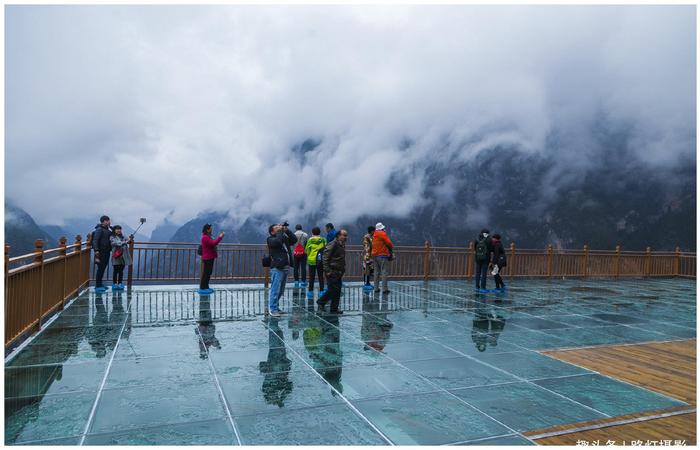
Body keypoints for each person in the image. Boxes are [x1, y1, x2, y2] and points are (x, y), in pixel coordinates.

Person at [267, 223, 297, 317]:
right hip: (277, 267)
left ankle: (276, 307)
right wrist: (280, 232)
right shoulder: (270, 239)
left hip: (285, 266)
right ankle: (272, 309)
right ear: (272, 231)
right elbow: (277, 242)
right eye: (276, 227)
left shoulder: (282, 237)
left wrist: (287, 230)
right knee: (275, 289)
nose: (279, 228)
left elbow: (294, 240)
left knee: (281, 290)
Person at [317, 229, 348, 314]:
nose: (345, 237)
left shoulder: (341, 244)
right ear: (338, 236)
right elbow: (325, 257)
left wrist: (343, 270)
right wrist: (328, 271)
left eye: (346, 235)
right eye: (344, 235)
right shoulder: (333, 244)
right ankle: (321, 302)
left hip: (339, 271)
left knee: (337, 290)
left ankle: (334, 308)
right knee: (332, 289)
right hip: (332, 270)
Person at [200, 224, 224, 294]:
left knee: (209, 272)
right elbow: (214, 243)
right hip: (207, 257)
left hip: (210, 257)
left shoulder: (207, 236)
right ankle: (202, 287)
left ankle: (206, 287)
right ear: (207, 230)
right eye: (210, 228)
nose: (211, 229)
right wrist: (220, 237)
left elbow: (212, 244)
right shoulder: (205, 237)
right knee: (206, 273)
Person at [305, 227, 327, 300]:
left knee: (312, 277)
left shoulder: (310, 240)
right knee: (321, 276)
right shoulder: (323, 240)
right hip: (320, 260)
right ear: (319, 232)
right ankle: (321, 291)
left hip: (311, 260)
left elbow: (307, 250)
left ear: (312, 232)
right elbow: (326, 249)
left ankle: (310, 292)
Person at [371, 222, 393, 294]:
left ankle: (376, 288)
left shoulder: (374, 234)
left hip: (374, 255)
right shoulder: (382, 233)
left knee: (376, 272)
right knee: (384, 272)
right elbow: (389, 243)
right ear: (382, 228)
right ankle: (384, 289)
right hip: (382, 255)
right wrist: (390, 249)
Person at [92, 215, 112, 292]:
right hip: (100, 252)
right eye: (108, 221)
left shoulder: (108, 230)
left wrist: (112, 228)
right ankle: (97, 285)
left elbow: (114, 234)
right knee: (100, 268)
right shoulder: (99, 230)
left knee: (103, 268)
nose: (109, 222)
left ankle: (100, 283)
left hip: (107, 251)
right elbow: (95, 240)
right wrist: (96, 250)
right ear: (104, 221)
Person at [109, 225, 133, 290]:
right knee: (115, 270)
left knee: (121, 270)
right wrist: (125, 242)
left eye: (120, 229)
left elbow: (128, 240)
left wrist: (130, 240)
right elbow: (117, 243)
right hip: (116, 255)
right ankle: (114, 284)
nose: (119, 230)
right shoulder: (112, 237)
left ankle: (120, 283)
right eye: (117, 229)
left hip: (123, 255)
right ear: (114, 230)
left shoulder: (123, 236)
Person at [362, 226, 375, 290]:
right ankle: (366, 283)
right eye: (374, 231)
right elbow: (366, 246)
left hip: (371, 255)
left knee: (370, 270)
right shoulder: (366, 237)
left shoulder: (372, 236)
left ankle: (368, 282)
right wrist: (367, 256)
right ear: (371, 231)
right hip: (367, 255)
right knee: (366, 269)